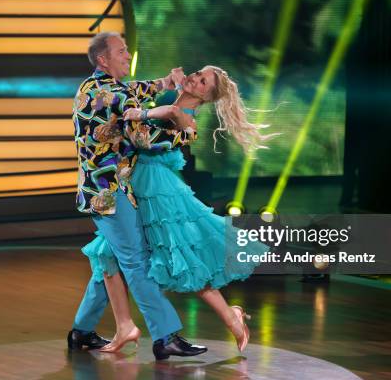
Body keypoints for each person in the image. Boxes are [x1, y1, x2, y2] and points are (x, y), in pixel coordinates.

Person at [82, 65, 276, 354]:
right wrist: (155, 95)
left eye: (202, 81)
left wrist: (142, 112)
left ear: (205, 96)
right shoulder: (170, 106)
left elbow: (149, 137)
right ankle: (118, 326)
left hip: (158, 192)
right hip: (134, 186)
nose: (195, 78)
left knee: (181, 257)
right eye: (198, 73)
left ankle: (229, 319)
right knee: (109, 254)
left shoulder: (183, 116)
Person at [68, 31, 207, 360]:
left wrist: (164, 84)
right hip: (111, 195)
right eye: (121, 51)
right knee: (136, 262)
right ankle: (165, 336)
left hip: (95, 190)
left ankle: (81, 331)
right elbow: (145, 141)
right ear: (104, 59)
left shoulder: (92, 86)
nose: (127, 55)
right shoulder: (117, 94)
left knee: (110, 261)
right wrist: (186, 133)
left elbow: (133, 91)